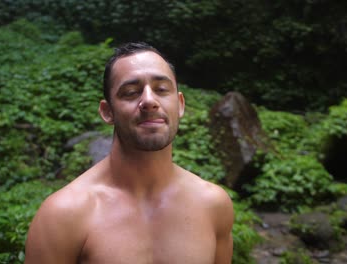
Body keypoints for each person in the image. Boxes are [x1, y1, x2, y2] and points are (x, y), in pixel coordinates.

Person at [24, 42, 234, 263]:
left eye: (162, 89)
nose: (149, 101)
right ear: (107, 112)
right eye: (131, 93)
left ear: (180, 104)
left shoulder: (213, 205)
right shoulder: (64, 215)